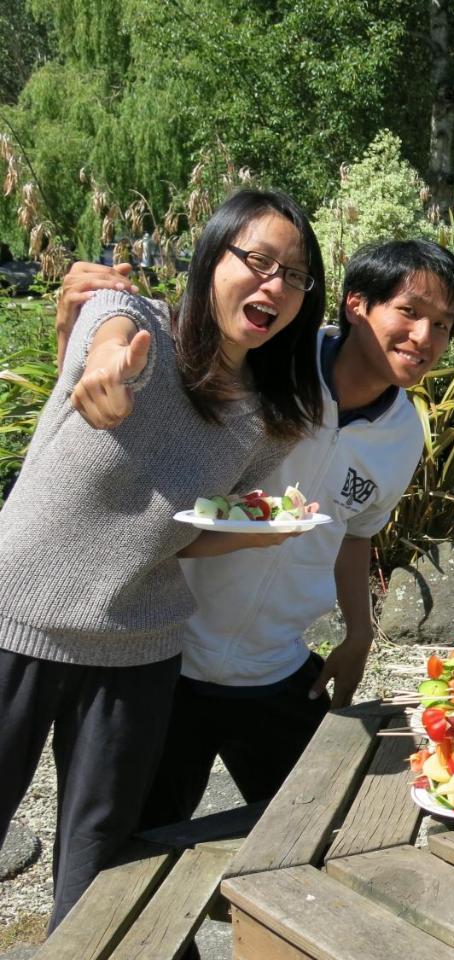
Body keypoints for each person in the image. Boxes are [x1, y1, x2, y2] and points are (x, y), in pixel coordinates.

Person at [58, 238, 454, 834]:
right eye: (408, 312)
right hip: (167, 656)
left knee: (328, 829)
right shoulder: (273, 359)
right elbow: (163, 347)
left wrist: (359, 634)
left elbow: (356, 531)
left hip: (274, 668)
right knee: (126, 845)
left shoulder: (402, 434)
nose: (425, 338)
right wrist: (93, 323)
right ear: (356, 304)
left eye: (442, 324)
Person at [0, 188, 326, 928]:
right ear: (213, 257)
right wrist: (108, 366)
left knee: (98, 864)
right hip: (14, 617)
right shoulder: (134, 324)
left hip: (138, 646)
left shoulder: (266, 419)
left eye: (296, 276)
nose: (275, 285)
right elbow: (107, 337)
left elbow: (189, 525)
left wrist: (255, 532)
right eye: (260, 261)